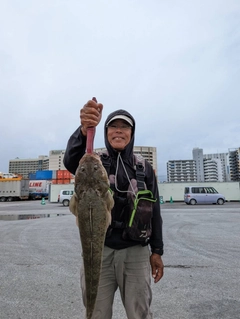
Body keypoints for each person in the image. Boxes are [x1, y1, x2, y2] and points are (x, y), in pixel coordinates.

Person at [63, 98, 164, 319]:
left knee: (140, 313)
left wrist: (157, 251)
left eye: (124, 127)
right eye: (113, 127)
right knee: (96, 312)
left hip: (135, 251)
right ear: (106, 132)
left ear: (132, 132)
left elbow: (155, 211)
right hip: (101, 249)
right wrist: (83, 130)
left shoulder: (143, 167)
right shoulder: (95, 160)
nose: (118, 131)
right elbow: (71, 161)